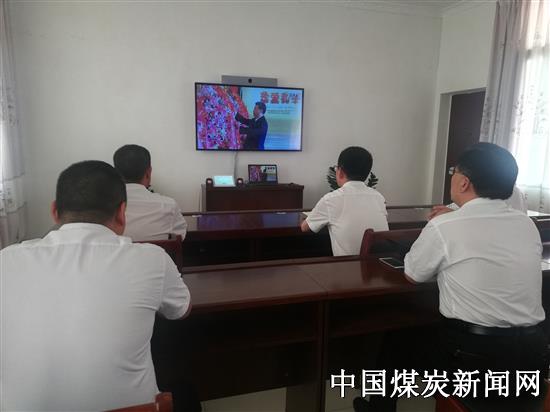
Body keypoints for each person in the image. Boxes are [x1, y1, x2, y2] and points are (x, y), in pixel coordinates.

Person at [354, 143, 548, 412]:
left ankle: (378, 409)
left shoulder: (445, 225)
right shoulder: (526, 224)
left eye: (453, 172)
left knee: (397, 341)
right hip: (533, 357)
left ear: (464, 182)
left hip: (473, 359)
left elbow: (413, 274)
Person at [0, 161, 191, 411]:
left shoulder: (6, 260)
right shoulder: (152, 258)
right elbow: (181, 310)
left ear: (54, 211)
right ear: (122, 213)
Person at [301, 146, 388, 256]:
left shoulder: (331, 199)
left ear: (340, 172)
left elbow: (305, 227)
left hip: (349, 265)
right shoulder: (379, 197)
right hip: (378, 264)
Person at [113, 144, 187, 241]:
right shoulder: (168, 205)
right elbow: (180, 237)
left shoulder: (103, 207)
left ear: (115, 173)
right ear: (148, 173)